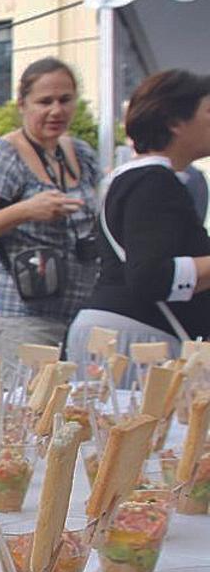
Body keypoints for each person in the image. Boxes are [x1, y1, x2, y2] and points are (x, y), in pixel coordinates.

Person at [0, 57, 101, 374]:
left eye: (65, 100)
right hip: (21, 316)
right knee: (23, 414)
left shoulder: (80, 152)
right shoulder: (1, 155)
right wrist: (25, 210)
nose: (56, 110)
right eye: (45, 101)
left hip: (76, 314)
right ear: (22, 104)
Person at [68, 70, 210, 357]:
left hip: (128, 335)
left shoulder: (140, 178)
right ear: (174, 122)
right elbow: (150, 275)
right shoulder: (153, 181)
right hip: (134, 342)